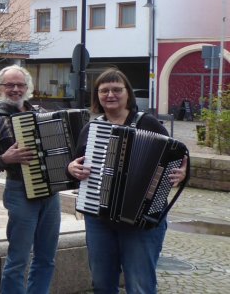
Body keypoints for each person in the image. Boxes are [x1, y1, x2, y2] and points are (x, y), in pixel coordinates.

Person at [67, 68, 188, 294]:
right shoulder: (91, 129)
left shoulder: (148, 124)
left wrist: (181, 173)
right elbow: (75, 165)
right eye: (104, 91)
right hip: (98, 217)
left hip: (141, 220)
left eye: (116, 90)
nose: (110, 95)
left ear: (127, 94)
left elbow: (177, 156)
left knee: (140, 285)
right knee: (102, 283)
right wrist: (71, 168)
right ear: (97, 96)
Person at [0, 65, 59, 294]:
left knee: (46, 257)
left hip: (50, 192)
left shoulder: (43, 114)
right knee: (18, 260)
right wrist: (4, 159)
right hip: (19, 190)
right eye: (9, 85)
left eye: (20, 85)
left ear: (28, 88)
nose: (15, 89)